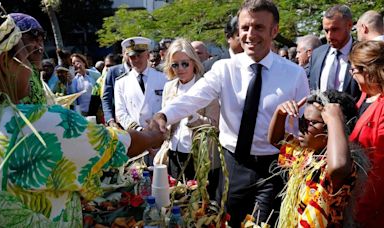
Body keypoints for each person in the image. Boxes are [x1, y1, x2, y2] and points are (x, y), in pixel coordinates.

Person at [0, 2, 164, 226]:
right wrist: (154, 133)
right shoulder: (38, 126)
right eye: (25, 57)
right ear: (4, 63)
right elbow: (120, 144)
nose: (31, 68)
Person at [149, 0, 310, 226]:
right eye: (244, 28)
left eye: (259, 27)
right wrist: (164, 115)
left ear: (275, 31)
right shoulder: (224, 69)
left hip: (274, 168)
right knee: (225, 221)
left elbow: (301, 124)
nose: (250, 34)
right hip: (232, 165)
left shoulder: (294, 74)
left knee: (262, 223)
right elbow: (193, 97)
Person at [268, 90, 367, 227]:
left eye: (312, 123)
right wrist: (280, 113)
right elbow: (276, 140)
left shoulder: (341, 164)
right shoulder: (306, 154)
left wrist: (334, 119)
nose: (302, 127)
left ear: (331, 129)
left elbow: (338, 167)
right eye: (302, 120)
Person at [161, 38, 220, 182]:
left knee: (199, 203)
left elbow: (215, 124)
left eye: (185, 63)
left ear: (194, 62)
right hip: (174, 154)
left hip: (200, 157)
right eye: (175, 65)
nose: (180, 68)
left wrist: (194, 119)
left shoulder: (206, 86)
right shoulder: (169, 87)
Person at [348, 40, 384, 227]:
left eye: (353, 70)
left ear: (368, 71)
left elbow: (380, 166)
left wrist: (361, 209)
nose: (352, 75)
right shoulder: (365, 96)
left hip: (371, 204)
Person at [308, 5, 360, 100]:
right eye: (326, 30)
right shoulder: (317, 54)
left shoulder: (363, 53)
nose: (329, 36)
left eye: (334, 29)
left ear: (349, 25)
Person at [115, 37, 167, 131]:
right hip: (137, 135)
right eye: (132, 57)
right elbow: (120, 112)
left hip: (159, 132)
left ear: (147, 55)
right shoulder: (121, 83)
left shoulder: (163, 78)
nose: (136, 60)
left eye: (139, 55)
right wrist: (138, 129)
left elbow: (169, 105)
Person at [10, 13, 47, 105]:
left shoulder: (33, 69)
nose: (40, 48)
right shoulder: (8, 75)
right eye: (32, 40)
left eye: (41, 41)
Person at [102, 50, 131, 128]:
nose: (132, 56)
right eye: (128, 53)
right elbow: (106, 98)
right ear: (123, 54)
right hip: (120, 123)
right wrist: (110, 120)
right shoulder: (113, 72)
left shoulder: (145, 71)